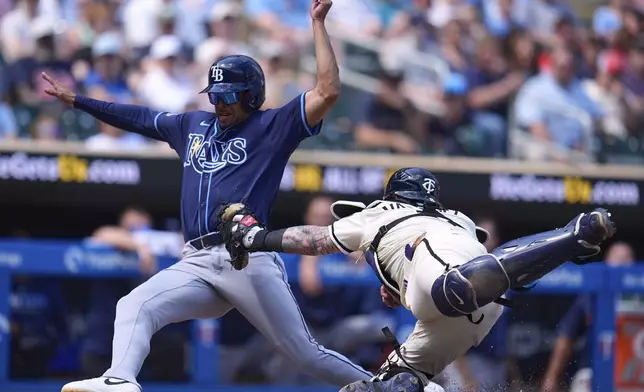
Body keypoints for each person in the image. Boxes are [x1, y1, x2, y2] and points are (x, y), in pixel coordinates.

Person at [46, 1, 376, 392]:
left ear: (251, 95)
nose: (218, 103)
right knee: (133, 305)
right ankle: (119, 380)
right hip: (197, 261)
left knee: (304, 353)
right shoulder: (192, 124)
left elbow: (328, 90)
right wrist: (79, 100)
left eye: (228, 96)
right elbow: (136, 117)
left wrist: (317, 24)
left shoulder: (273, 126)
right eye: (215, 95)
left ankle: (390, 386)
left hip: (246, 258)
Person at [217, 167, 617, 392]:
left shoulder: (380, 211)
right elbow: (457, 251)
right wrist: (396, 286)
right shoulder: (458, 219)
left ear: (393, 194)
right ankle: (565, 244)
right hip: (479, 305)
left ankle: (570, 237)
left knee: (452, 289)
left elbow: (315, 240)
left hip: (451, 283)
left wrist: (256, 238)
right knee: (393, 383)